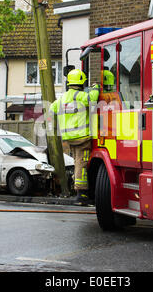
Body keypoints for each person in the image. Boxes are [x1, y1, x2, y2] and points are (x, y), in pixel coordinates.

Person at [49, 69, 100, 205]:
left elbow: (52, 109)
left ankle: (80, 191)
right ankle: (81, 193)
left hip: (69, 138)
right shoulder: (81, 95)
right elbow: (93, 98)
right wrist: (96, 88)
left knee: (78, 162)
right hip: (82, 137)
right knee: (81, 164)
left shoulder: (62, 98)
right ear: (82, 82)